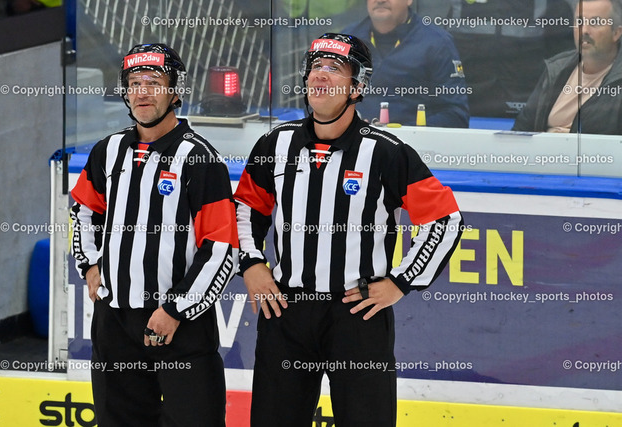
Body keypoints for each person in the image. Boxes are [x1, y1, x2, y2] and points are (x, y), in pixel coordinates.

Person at [234, 33, 463, 426]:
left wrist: (401, 282)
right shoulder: (276, 143)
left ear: (357, 88)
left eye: (334, 68)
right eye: (315, 67)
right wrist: (252, 263)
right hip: (287, 313)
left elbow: (445, 220)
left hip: (357, 316)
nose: (320, 76)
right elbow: (243, 210)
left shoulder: (387, 152)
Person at [70, 43, 238, 427]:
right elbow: (83, 210)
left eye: (153, 81)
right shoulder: (108, 150)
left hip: (179, 325)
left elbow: (221, 247)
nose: (142, 91)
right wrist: (90, 264)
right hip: (114, 322)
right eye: (134, 82)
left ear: (176, 91)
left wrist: (175, 309)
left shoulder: (200, 159)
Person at [343, 0, 469, 127]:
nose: (380, 0)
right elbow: (327, 99)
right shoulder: (346, 41)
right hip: (353, 141)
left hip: (413, 143)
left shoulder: (437, 43)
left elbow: (456, 116)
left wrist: (401, 132)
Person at [445, 0, 574, 118]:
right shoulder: (460, 4)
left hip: (528, 113)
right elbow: (443, 54)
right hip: (467, 110)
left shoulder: (549, 4)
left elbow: (564, 64)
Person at [512, 0, 622, 134]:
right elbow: (520, 131)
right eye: (579, 22)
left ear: (616, 33)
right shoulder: (557, 69)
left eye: (595, 23)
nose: (584, 31)